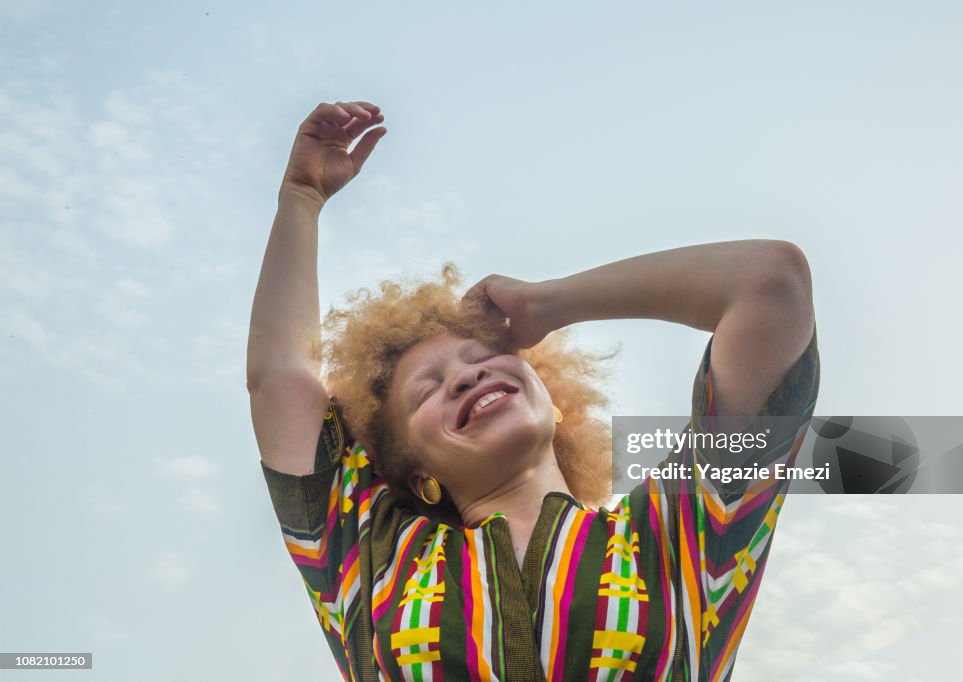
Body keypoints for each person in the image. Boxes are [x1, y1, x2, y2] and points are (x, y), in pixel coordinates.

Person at [247, 101, 820, 681]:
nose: (466, 377)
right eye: (427, 391)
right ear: (415, 472)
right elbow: (281, 380)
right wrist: (301, 199)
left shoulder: (682, 535)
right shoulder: (373, 557)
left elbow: (768, 283)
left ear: (556, 403)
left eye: (483, 359)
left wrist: (549, 303)